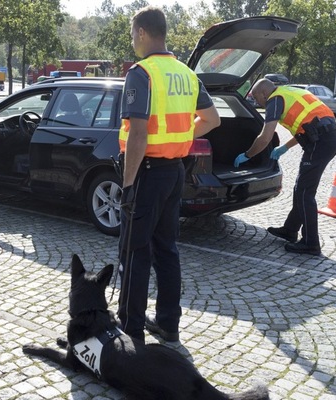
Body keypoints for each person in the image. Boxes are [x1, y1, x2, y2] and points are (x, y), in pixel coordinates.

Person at [117, 6, 220, 342]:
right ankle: (168, 324)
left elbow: (138, 133)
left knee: (135, 250)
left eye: (133, 34)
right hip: (175, 172)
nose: (133, 41)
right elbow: (211, 120)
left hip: (147, 173)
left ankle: (131, 328)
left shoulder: (141, 73)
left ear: (144, 33)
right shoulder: (187, 74)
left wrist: (128, 185)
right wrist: (181, 137)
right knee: (167, 250)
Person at [235, 79, 336, 255]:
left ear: (263, 93)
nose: (257, 103)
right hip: (325, 137)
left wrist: (248, 155)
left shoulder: (274, 100)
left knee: (305, 192)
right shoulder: (289, 92)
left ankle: (311, 243)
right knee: (301, 188)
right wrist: (285, 147)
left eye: (256, 98)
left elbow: (265, 136)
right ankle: (290, 229)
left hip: (321, 142)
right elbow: (308, 126)